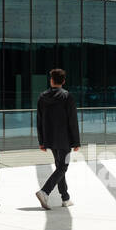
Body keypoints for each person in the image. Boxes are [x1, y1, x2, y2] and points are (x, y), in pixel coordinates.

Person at [35, 68, 80, 210]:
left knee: (60, 168)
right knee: (63, 167)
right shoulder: (67, 96)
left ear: (51, 80)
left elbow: (39, 120)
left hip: (50, 139)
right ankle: (45, 191)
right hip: (64, 140)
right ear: (63, 81)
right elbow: (72, 121)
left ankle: (65, 198)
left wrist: (41, 141)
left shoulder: (42, 97)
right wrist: (76, 142)